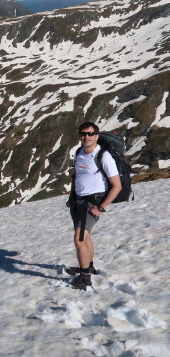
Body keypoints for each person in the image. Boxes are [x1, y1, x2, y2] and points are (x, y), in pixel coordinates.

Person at [66, 122, 122, 290]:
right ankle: (88, 266)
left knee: (79, 239)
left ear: (97, 135)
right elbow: (76, 176)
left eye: (91, 133)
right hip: (78, 200)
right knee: (86, 237)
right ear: (79, 136)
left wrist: (101, 207)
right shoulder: (79, 152)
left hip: (92, 203)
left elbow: (117, 185)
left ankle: (84, 278)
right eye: (83, 134)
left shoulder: (103, 156)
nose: (87, 136)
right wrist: (71, 196)